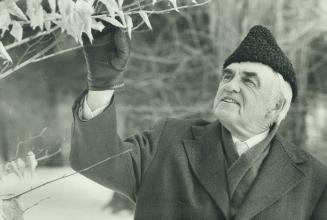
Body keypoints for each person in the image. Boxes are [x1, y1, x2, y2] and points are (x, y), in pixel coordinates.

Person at [70, 25, 327, 220]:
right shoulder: (167, 140)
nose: (230, 86)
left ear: (278, 105)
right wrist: (102, 84)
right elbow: (97, 162)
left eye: (248, 81)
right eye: (227, 76)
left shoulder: (315, 181)